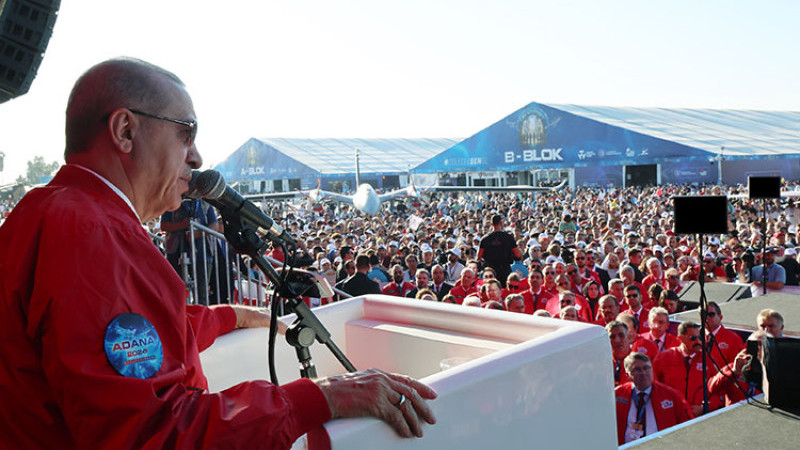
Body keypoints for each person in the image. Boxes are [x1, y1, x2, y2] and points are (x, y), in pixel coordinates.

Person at [0, 58, 436, 448]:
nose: (197, 156)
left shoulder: (45, 213)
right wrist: (321, 396)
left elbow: (124, 337)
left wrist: (231, 316)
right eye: (186, 133)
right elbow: (156, 434)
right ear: (125, 131)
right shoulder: (96, 235)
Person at [615, 353, 693, 444]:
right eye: (637, 369)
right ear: (627, 375)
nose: (643, 373)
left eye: (646, 368)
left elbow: (689, 427)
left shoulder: (671, 395)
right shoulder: (617, 395)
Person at [653, 321, 721, 416]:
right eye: (693, 338)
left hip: (699, 417)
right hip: (670, 415)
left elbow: (718, 391)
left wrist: (704, 408)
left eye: (699, 338)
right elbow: (653, 387)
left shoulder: (708, 360)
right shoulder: (663, 358)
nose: (698, 342)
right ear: (680, 338)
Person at [160, 197, 220, 304]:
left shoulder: (205, 203)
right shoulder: (172, 200)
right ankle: (179, 318)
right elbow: (164, 225)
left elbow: (214, 225)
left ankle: (200, 318)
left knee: (201, 293)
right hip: (176, 252)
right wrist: (182, 225)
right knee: (176, 292)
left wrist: (198, 233)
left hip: (202, 253)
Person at [478, 214, 522, 287]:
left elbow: (479, 256)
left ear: (491, 224)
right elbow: (517, 254)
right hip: (505, 270)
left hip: (490, 271)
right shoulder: (508, 237)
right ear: (501, 223)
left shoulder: (485, 239)